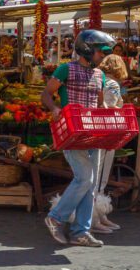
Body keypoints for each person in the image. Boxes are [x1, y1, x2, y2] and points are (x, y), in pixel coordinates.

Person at [42, 29, 115, 247]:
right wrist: (54, 108)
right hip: (72, 133)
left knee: (90, 185)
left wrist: (110, 115)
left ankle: (80, 232)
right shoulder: (65, 69)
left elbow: (100, 105)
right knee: (85, 179)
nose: (103, 57)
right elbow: (45, 94)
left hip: (94, 134)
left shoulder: (99, 75)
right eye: (101, 52)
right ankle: (55, 217)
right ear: (87, 49)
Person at [93, 53, 127, 234]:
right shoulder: (113, 85)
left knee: (95, 176)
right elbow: (110, 108)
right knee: (101, 178)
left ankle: (98, 215)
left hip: (95, 130)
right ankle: (96, 217)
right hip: (107, 132)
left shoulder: (99, 80)